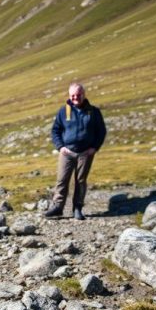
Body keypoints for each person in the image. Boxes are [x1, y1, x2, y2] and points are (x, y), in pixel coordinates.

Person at [44, 82, 106, 220]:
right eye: (73, 95)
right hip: (67, 152)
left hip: (85, 153)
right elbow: (56, 130)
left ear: (83, 94)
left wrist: (94, 148)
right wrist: (60, 147)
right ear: (69, 95)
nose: (75, 98)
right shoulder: (63, 111)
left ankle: (77, 208)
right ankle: (57, 207)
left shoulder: (93, 112)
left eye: (78, 95)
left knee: (81, 180)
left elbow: (101, 131)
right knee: (62, 180)